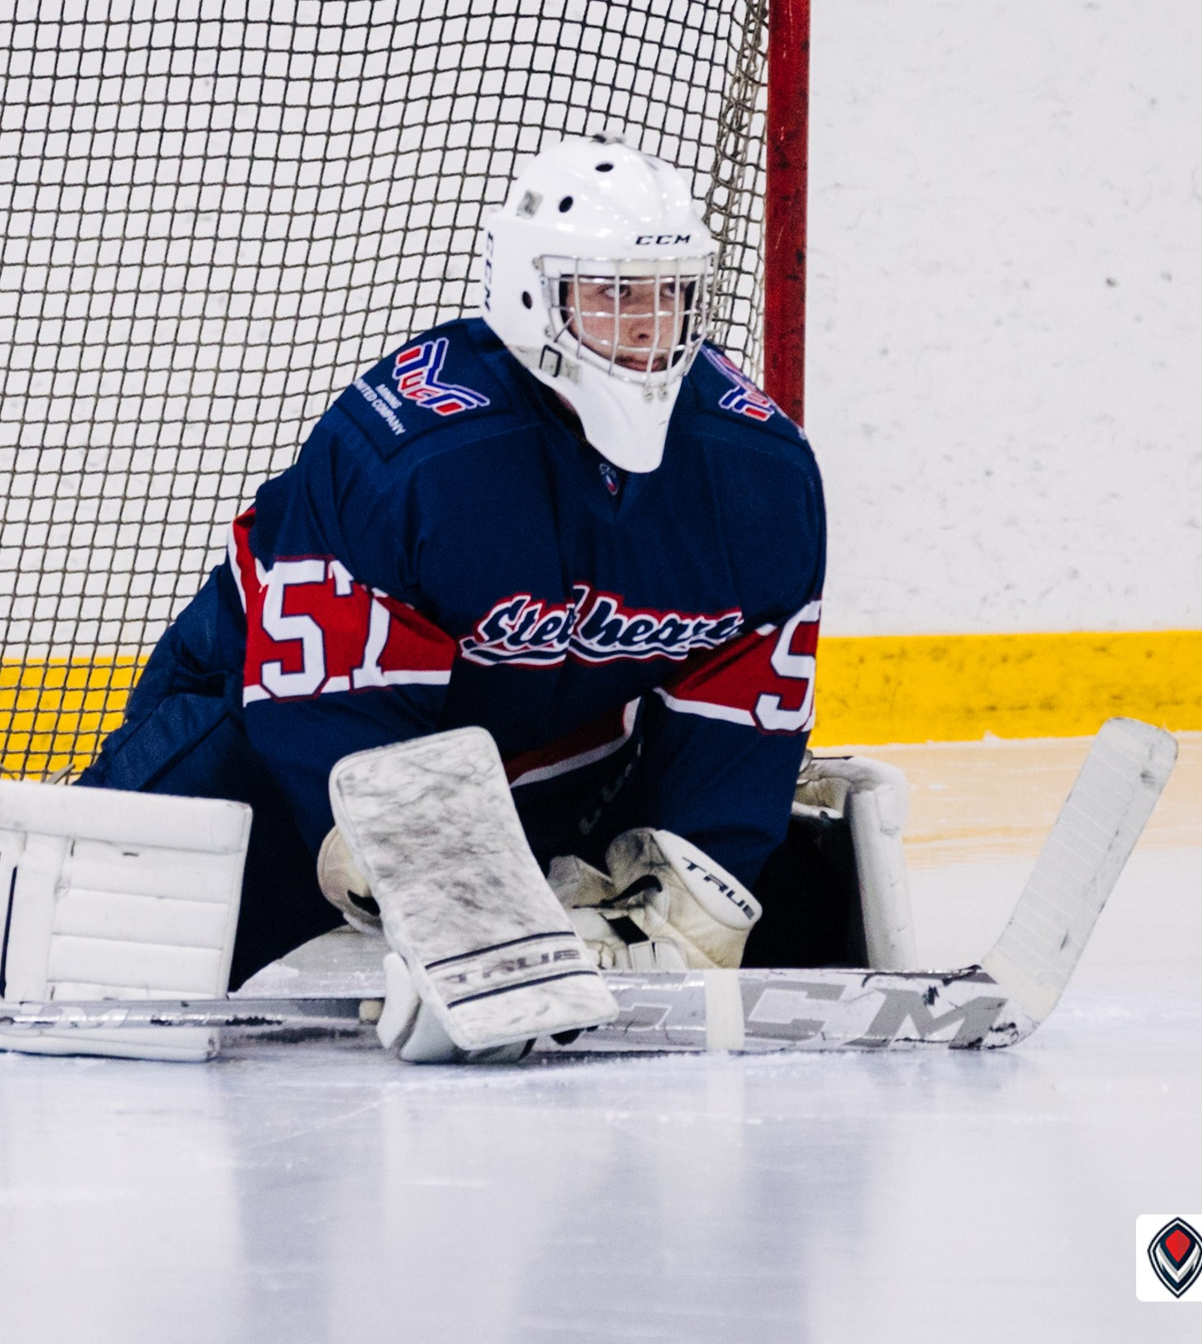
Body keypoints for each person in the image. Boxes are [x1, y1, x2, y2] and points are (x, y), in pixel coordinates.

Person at [81, 133, 826, 986]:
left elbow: (739, 713)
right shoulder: (418, 453)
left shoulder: (762, 474)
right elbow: (327, 709)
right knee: (105, 953)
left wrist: (679, 895)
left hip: (548, 785)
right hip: (263, 743)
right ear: (530, 294)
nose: (650, 325)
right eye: (614, 295)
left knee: (743, 913)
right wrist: (451, 896)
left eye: (671, 294)